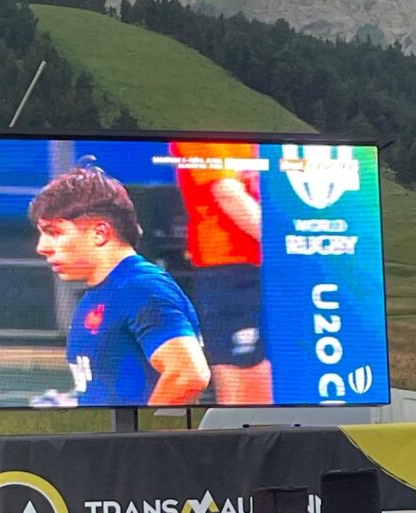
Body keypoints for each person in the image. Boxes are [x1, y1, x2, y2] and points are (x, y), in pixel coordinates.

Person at [29, 164, 210, 407]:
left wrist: (138, 439)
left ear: (99, 232)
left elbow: (188, 376)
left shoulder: (141, 288)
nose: (42, 247)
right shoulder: (104, 291)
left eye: (55, 232)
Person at [170, 140, 273, 405]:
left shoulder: (265, 139)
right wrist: (285, 248)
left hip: (273, 272)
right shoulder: (203, 135)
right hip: (232, 272)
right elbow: (228, 194)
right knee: (250, 395)